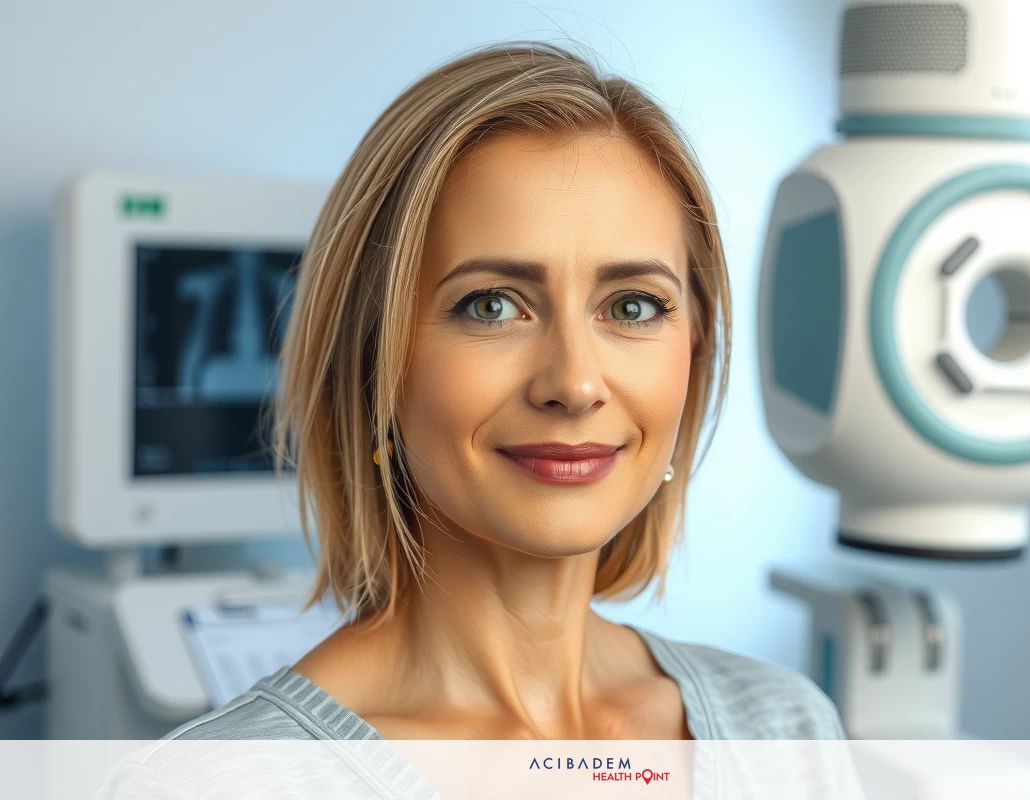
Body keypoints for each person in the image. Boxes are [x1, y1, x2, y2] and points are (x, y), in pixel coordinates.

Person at [97, 39, 852, 800]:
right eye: (492, 305)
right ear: (375, 359)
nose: (577, 383)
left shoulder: (786, 736)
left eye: (632, 306)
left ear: (694, 345)